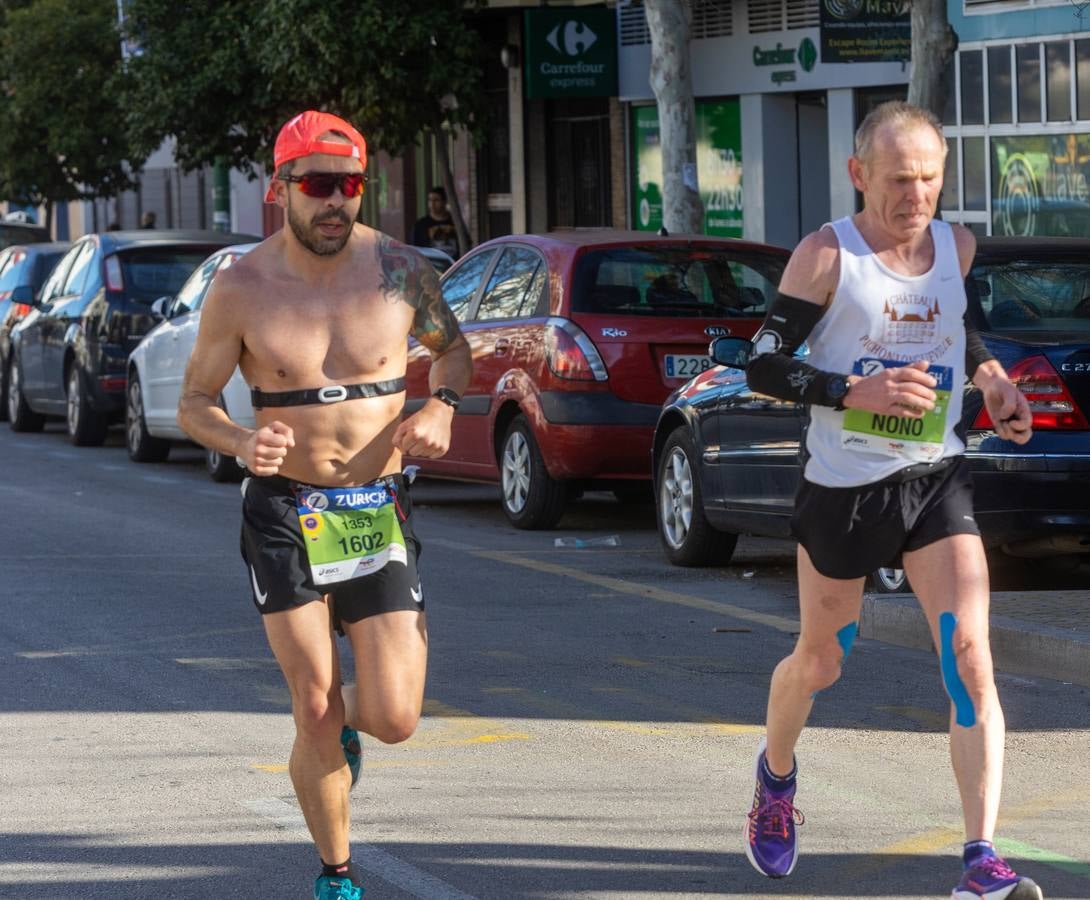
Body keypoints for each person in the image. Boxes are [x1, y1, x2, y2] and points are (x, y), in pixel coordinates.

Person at [741, 101, 1042, 900]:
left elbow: (959, 329)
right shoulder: (826, 255)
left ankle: (981, 858)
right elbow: (762, 365)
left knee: (971, 658)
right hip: (843, 491)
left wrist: (993, 382)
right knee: (820, 661)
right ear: (859, 175)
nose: (917, 197)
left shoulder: (956, 244)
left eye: (931, 179)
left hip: (934, 477)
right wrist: (851, 388)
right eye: (900, 179)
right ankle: (774, 782)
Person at [178, 110, 471, 900]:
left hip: (375, 505)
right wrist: (241, 442)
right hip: (283, 509)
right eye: (317, 186)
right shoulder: (240, 287)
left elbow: (453, 349)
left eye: (348, 185)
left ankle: (343, 734)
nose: (335, 201)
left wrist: (441, 406)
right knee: (312, 700)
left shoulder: (403, 270)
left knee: (396, 714)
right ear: (281, 190)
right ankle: (337, 877)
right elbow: (195, 402)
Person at [410, 185, 459, 259]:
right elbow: (414, 250)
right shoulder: (420, 225)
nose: (432, 204)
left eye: (436, 200)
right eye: (430, 200)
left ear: (444, 202)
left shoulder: (456, 223)